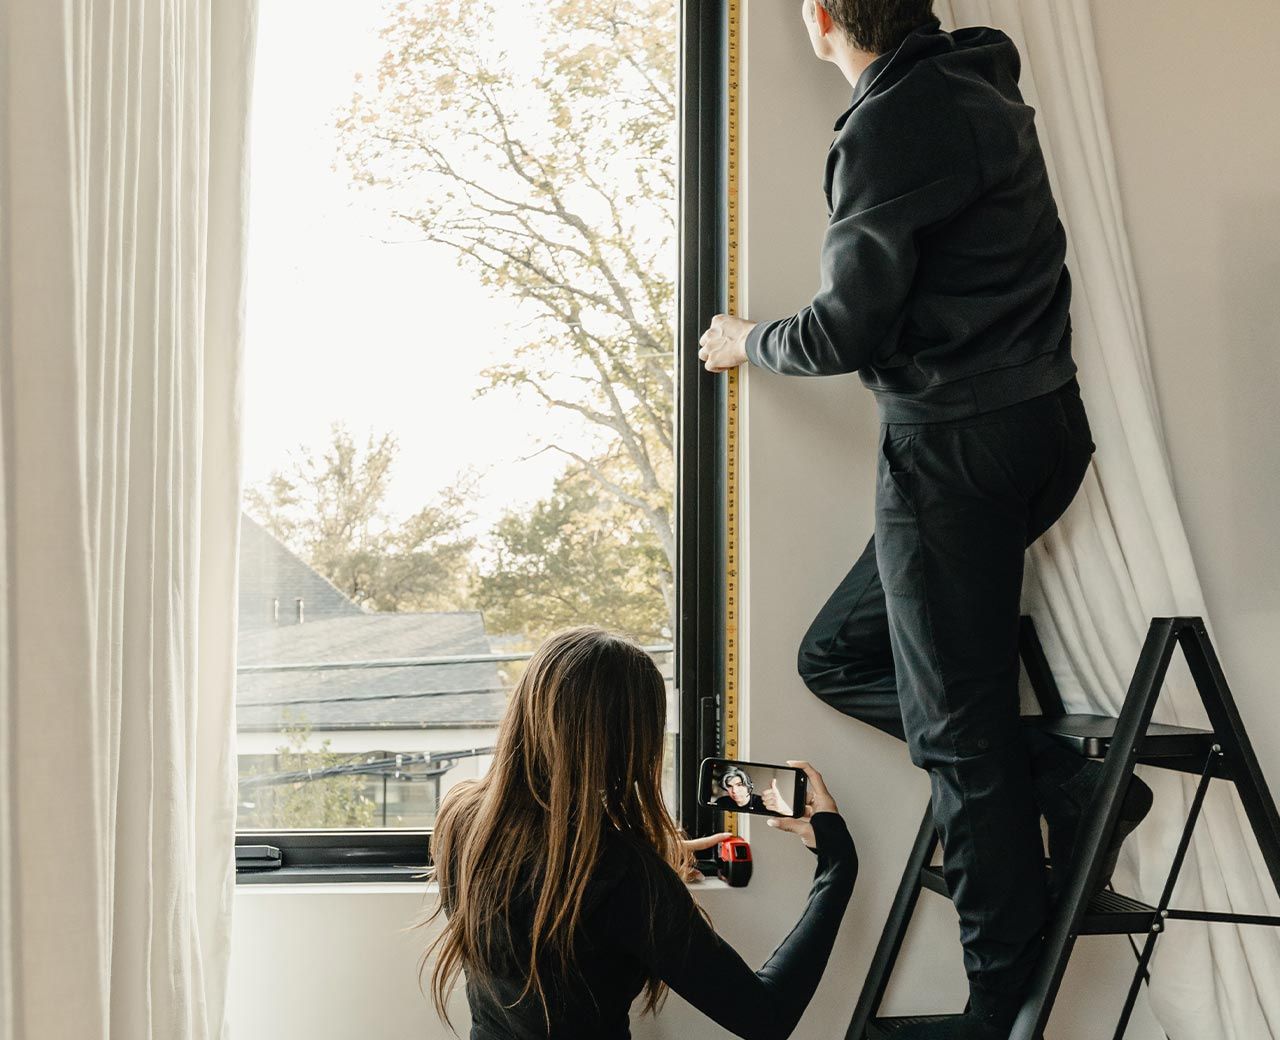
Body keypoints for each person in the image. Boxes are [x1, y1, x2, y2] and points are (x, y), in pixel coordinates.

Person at [697, 3, 1152, 1038]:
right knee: (837, 654)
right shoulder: (981, 83)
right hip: (1041, 431)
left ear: (822, 17)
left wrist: (744, 340)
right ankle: (1069, 786)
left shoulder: (889, 121)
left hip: (952, 451)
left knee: (959, 738)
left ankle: (996, 1007)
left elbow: (843, 330)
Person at [422, 626, 858, 1040]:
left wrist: (651, 855)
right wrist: (837, 864)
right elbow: (766, 1017)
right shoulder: (625, 876)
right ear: (630, 745)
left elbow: (550, 882)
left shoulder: (461, 818)